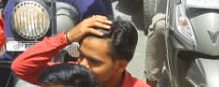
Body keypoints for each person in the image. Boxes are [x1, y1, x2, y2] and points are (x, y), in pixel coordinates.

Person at [12, 15, 143, 86]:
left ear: (120, 65)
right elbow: (21, 67)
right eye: (81, 55)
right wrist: (67, 37)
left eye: (94, 61)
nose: (82, 64)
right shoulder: (71, 78)